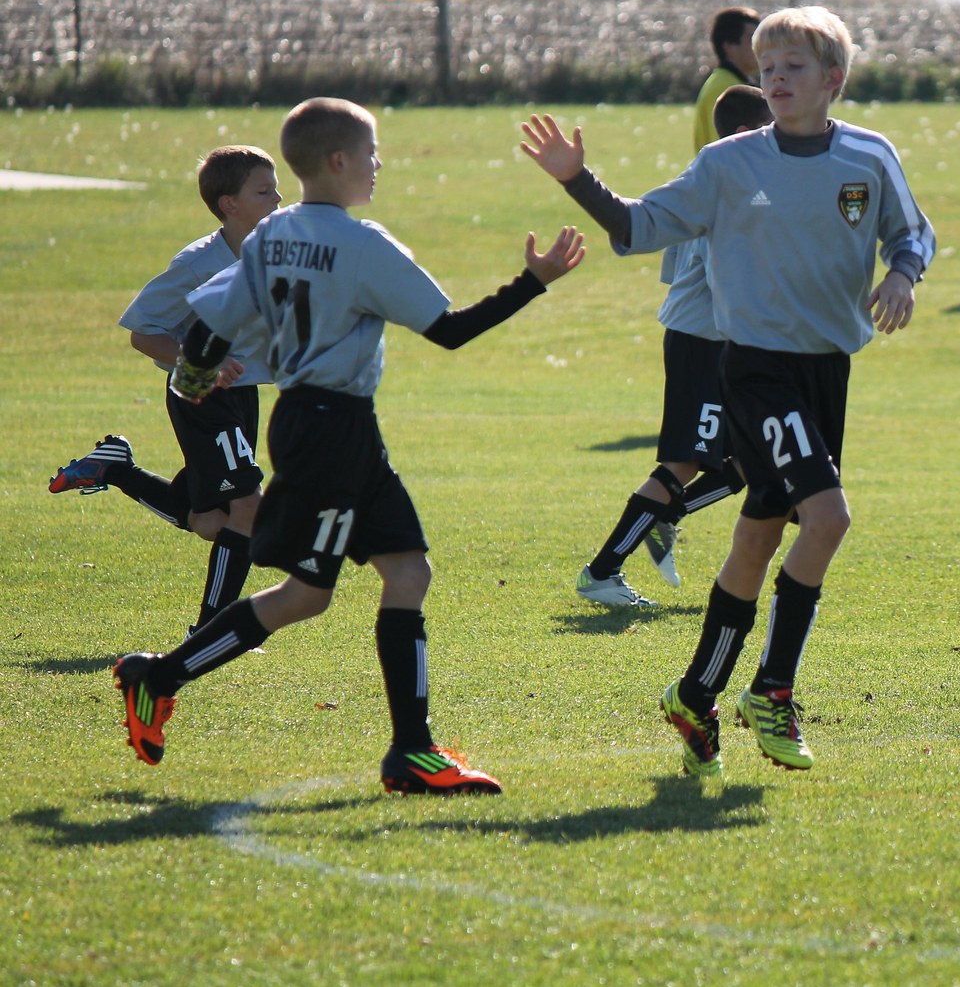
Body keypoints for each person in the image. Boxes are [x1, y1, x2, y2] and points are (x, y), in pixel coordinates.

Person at [113, 96, 585, 795]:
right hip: (333, 432)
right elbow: (449, 330)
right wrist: (532, 283)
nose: (378, 164)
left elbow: (208, 331)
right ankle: (159, 677)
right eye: (370, 153)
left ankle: (411, 752)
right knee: (308, 592)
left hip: (321, 426)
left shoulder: (268, 238)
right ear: (338, 162)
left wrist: (191, 380)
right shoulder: (365, 245)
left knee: (403, 574)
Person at [521, 6, 935, 774]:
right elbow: (640, 225)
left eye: (793, 67)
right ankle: (772, 690)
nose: (774, 78)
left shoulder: (870, 159)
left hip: (825, 371)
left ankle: (695, 693)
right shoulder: (729, 164)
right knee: (829, 517)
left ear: (833, 81)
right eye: (766, 65)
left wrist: (903, 275)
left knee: (758, 533)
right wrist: (578, 180)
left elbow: (911, 232)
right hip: (755, 368)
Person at [49, 146, 282, 634]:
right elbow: (143, 333)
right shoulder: (198, 263)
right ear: (229, 204)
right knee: (247, 509)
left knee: (211, 521)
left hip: (242, 392)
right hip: (199, 394)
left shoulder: (271, 252)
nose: (278, 198)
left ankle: (118, 469)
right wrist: (204, 360)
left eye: (276, 187)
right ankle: (212, 633)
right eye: (264, 191)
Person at [576, 85, 772, 609]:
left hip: (716, 343)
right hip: (705, 344)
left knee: (756, 460)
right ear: (745, 132)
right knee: (685, 463)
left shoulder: (707, 178)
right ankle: (603, 571)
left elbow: (673, 268)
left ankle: (668, 516)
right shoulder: (734, 187)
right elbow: (725, 278)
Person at [692, 6, 761, 155]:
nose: (760, 47)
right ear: (729, 46)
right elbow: (724, 150)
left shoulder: (729, 81)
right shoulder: (725, 88)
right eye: (752, 39)